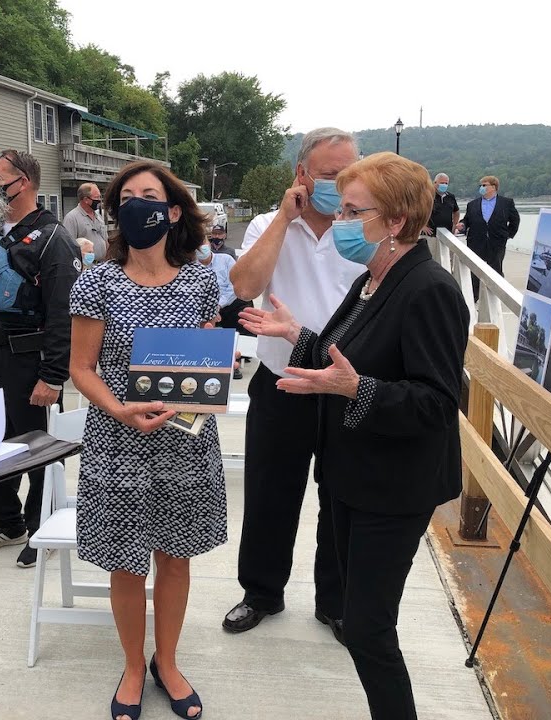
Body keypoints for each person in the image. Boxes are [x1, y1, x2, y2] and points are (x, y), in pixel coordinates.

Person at [239, 151, 469, 720]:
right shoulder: (373, 280)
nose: (340, 223)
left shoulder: (428, 289)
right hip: (351, 476)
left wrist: (355, 390)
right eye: (339, 209)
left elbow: (438, 402)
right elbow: (344, 353)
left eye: (351, 212)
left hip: (392, 488)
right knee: (365, 624)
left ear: (395, 222)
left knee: (368, 631)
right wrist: (296, 333)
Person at [68, 160, 225, 720]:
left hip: (185, 442)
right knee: (127, 563)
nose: (138, 204)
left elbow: (206, 363)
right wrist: (119, 409)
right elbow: (81, 368)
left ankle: (169, 660)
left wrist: (199, 390)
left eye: (150, 195)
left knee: (176, 559)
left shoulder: (201, 281)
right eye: (127, 196)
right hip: (119, 441)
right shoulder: (97, 282)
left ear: (173, 210)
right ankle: (134, 665)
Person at [223, 127, 365, 643]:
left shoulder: (361, 227)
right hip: (281, 380)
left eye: (348, 174)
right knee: (269, 494)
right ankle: (261, 592)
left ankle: (335, 601)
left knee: (342, 498)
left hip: (343, 384)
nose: (341, 185)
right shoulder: (269, 223)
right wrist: (286, 216)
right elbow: (243, 287)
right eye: (331, 175)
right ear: (301, 174)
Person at [0, 149, 80, 568]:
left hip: (31, 361)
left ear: (24, 183)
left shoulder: (52, 238)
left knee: (37, 451)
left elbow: (64, 313)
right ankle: (5, 521)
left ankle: (40, 527)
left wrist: (53, 375)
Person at [456, 175, 520, 300]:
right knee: (474, 271)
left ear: (494, 187)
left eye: (484, 185)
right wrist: (462, 225)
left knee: (496, 270)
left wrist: (508, 235)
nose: (481, 187)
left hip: (496, 243)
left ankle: (494, 297)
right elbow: (467, 220)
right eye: (480, 185)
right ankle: (474, 298)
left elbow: (515, 220)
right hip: (476, 242)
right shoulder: (472, 204)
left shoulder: (506, 203)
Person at [198, 238, 251, 379]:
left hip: (227, 303)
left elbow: (234, 285)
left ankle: (235, 359)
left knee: (243, 308)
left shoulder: (226, 259)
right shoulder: (190, 266)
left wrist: (218, 306)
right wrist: (210, 308)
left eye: (202, 243)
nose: (200, 247)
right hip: (204, 306)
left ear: (208, 244)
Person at [63, 181, 109, 260]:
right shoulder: (71, 218)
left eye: (100, 197)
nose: (99, 200)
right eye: (96, 198)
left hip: (102, 265)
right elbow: (67, 248)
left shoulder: (99, 216)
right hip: (86, 268)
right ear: (86, 200)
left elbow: (105, 240)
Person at [425, 172, 459, 238]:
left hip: (447, 233)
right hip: (431, 234)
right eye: (442, 183)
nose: (444, 185)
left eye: (446, 183)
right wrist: (422, 226)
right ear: (435, 183)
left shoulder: (451, 197)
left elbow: (456, 211)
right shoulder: (427, 196)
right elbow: (417, 212)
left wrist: (454, 224)